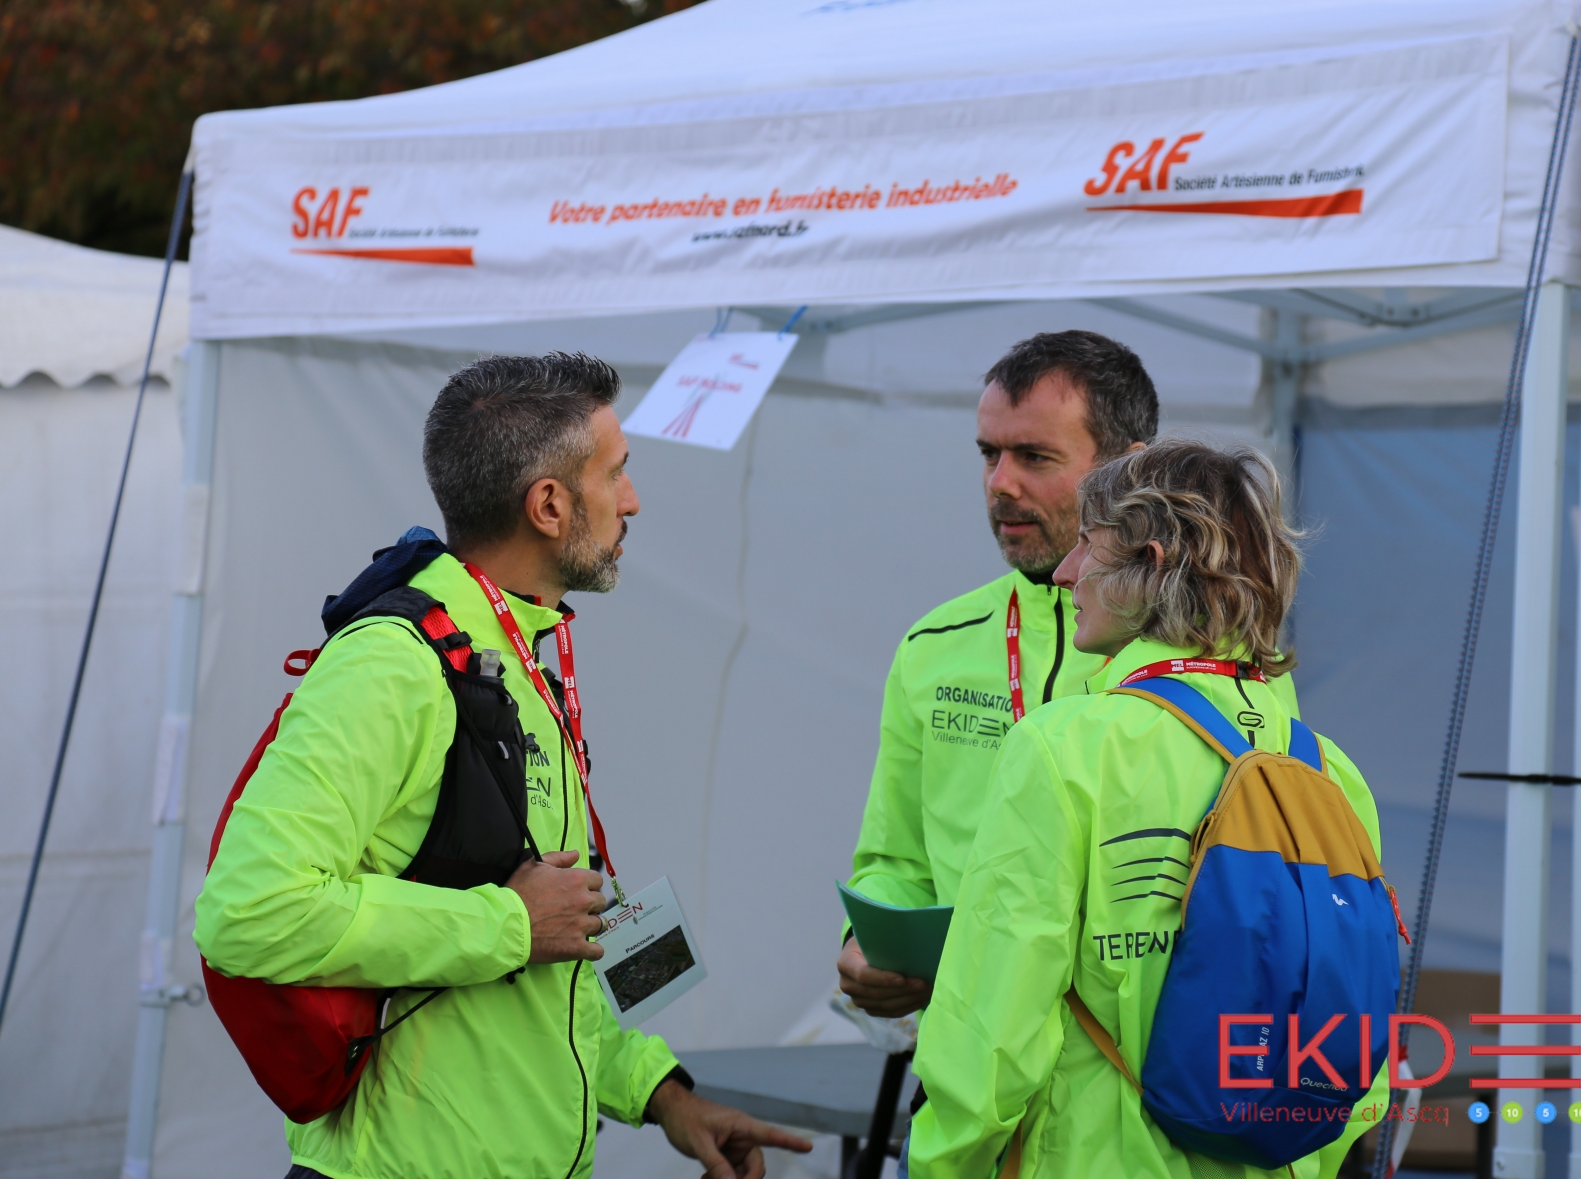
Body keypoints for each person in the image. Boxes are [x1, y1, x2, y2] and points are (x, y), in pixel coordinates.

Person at [194, 354, 809, 1179]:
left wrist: (662, 1095)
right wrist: (510, 924)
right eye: (616, 473)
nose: (632, 499)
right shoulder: (394, 664)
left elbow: (542, 975)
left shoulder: (509, 651)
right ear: (549, 505)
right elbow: (248, 912)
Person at [903, 440, 1385, 1179]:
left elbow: (991, 1032)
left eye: (1087, 546)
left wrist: (942, 1166)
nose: (1064, 573)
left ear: (1150, 566)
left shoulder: (1064, 747)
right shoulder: (1331, 771)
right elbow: (1357, 1026)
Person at [837, 332, 1299, 1017]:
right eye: (989, 453)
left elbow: (1262, 877)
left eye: (1034, 456)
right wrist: (868, 940)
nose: (1000, 483)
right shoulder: (935, 644)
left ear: (1129, 466)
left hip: (1143, 1061)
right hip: (974, 1051)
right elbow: (896, 860)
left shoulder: (1219, 652)